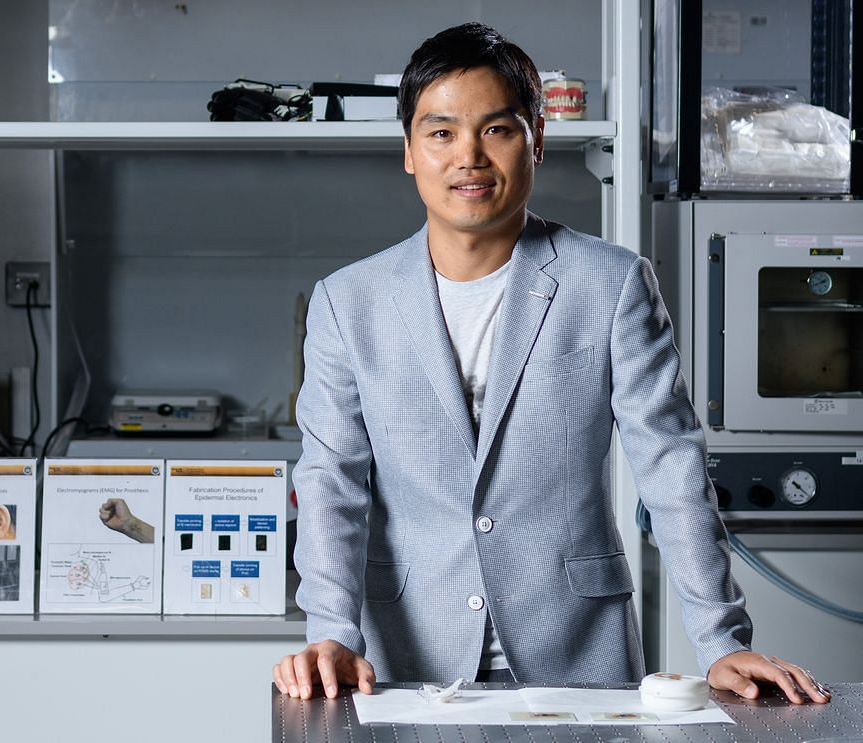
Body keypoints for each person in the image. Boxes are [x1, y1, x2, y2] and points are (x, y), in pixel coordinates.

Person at [273, 22, 831, 706]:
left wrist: (722, 641)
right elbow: (333, 483)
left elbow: (671, 468)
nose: (469, 157)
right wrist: (332, 629)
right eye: (441, 132)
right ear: (410, 152)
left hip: (581, 654)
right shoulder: (348, 303)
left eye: (497, 129)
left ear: (536, 139)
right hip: (407, 660)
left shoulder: (611, 284)